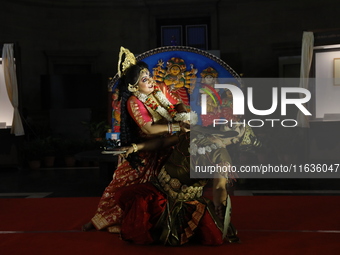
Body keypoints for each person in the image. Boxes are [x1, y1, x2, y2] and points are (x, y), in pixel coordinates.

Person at [82, 47, 190, 232]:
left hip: (169, 146)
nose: (150, 81)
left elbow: (177, 104)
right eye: (144, 79)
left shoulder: (159, 89)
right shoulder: (134, 101)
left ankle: (166, 221)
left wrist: (184, 115)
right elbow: (148, 128)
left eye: (149, 76)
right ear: (133, 86)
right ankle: (100, 220)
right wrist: (177, 127)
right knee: (123, 185)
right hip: (145, 151)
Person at [115, 125, 244, 246]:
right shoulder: (195, 131)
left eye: (240, 126)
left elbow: (219, 186)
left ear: (236, 140)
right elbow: (163, 143)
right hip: (158, 189)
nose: (235, 124)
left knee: (213, 237)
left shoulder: (221, 156)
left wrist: (220, 204)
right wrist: (136, 147)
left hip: (186, 202)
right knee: (127, 197)